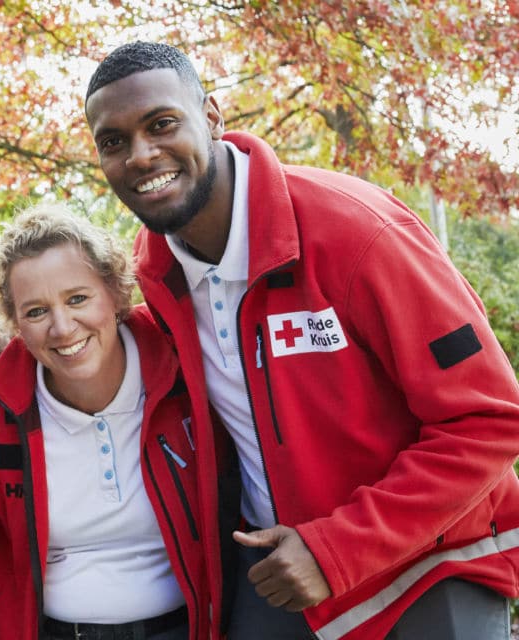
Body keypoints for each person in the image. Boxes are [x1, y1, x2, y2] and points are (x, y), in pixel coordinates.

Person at [84, 41, 519, 640]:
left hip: (427, 572)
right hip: (279, 577)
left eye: (161, 124)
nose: (140, 154)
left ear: (211, 117)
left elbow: (489, 420)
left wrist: (336, 549)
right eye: (113, 142)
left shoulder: (357, 233)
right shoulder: (153, 276)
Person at [0, 203, 214, 640]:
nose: (62, 328)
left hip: (186, 627)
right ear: (14, 323)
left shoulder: (184, 371)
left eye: (78, 298)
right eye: (36, 312)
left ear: (117, 294)